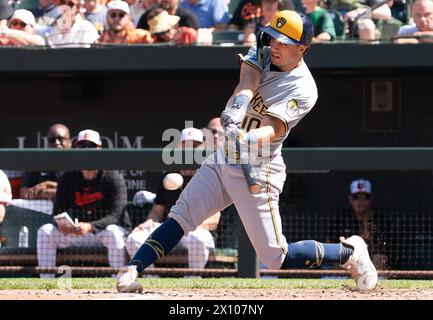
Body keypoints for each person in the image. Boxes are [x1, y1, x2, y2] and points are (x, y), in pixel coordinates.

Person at [116, 10, 378, 293]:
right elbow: (248, 81)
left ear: (302, 48)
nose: (275, 45)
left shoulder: (304, 88)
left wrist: (248, 138)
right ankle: (132, 270)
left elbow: (275, 129)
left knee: (276, 257)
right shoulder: (264, 48)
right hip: (225, 157)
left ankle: (349, 252)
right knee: (181, 217)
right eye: (274, 38)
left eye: (284, 42)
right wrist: (238, 107)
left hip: (259, 168)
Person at [37, 129, 130, 278]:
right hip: (78, 232)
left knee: (114, 233)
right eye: (83, 147)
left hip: (102, 233)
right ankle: (45, 281)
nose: (87, 151)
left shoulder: (113, 177)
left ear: (100, 149)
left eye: (91, 147)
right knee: (45, 231)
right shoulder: (67, 177)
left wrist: (91, 226)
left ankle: (120, 280)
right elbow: (58, 210)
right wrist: (64, 224)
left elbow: (115, 216)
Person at [125, 127, 221, 272]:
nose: (190, 149)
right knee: (134, 239)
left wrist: (188, 225)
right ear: (179, 148)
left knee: (198, 239)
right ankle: (152, 278)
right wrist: (148, 222)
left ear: (202, 148)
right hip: (172, 228)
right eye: (186, 145)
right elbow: (157, 212)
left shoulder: (209, 175)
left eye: (195, 145)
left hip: (197, 230)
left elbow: (214, 220)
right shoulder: (168, 175)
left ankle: (193, 279)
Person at [328, 179, 388, 270]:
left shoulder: (380, 221)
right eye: (356, 197)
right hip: (344, 268)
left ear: (371, 199)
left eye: (364, 198)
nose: (360, 202)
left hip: (371, 269)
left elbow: (383, 255)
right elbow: (329, 245)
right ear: (350, 199)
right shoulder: (342, 219)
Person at [20, 124, 71, 201]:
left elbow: (76, 191)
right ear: (47, 143)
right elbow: (24, 193)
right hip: (41, 211)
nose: (56, 142)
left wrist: (46, 185)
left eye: (61, 139)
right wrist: (45, 193)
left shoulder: (78, 164)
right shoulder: (36, 163)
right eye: (52, 140)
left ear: (69, 142)